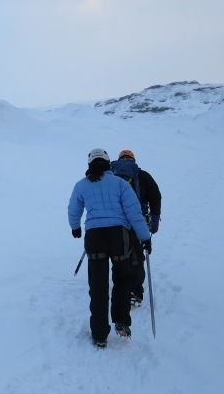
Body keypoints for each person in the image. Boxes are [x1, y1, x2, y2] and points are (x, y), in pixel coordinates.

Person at [68, 148, 152, 348]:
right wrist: (144, 237)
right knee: (122, 280)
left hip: (95, 237)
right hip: (118, 236)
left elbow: (73, 209)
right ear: (108, 163)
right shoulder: (120, 184)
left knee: (98, 286)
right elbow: (134, 212)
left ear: (90, 164)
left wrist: (75, 227)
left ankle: (99, 334)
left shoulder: (81, 186)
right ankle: (121, 322)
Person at [110, 149, 162, 306]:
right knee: (137, 256)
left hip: (115, 223)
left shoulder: (111, 176)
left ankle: (120, 289)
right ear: (133, 160)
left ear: (119, 159)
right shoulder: (143, 176)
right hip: (138, 221)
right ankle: (135, 292)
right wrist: (154, 219)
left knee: (119, 254)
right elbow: (155, 197)